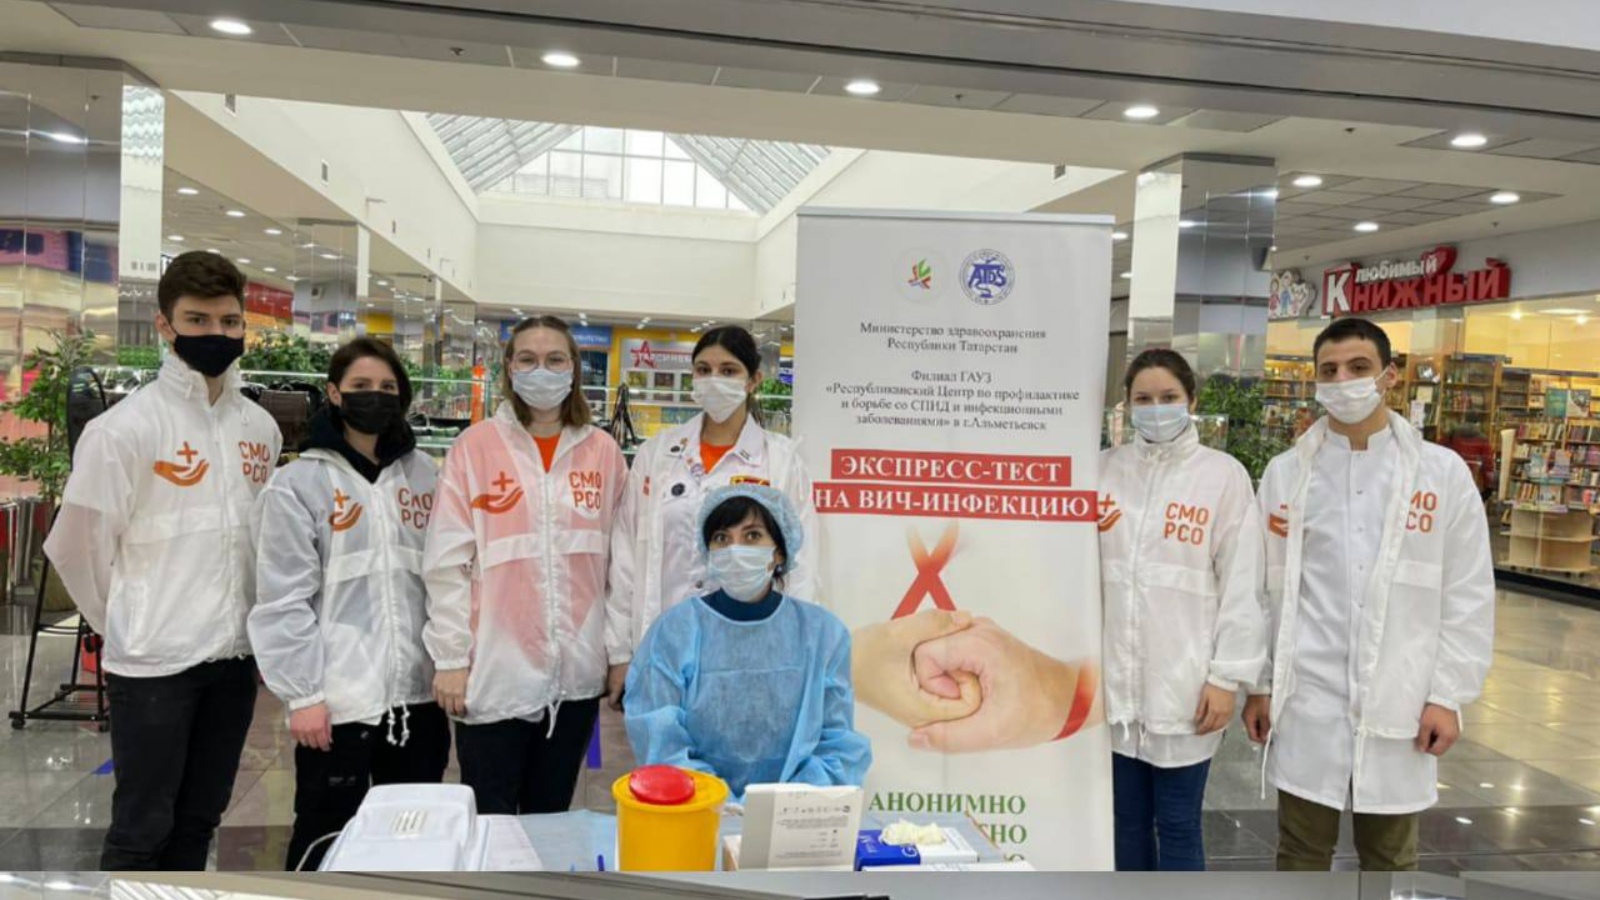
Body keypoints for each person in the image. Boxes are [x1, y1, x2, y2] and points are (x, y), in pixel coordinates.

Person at [43, 251, 283, 870]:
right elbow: (77, 547)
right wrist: (129, 621)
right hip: (154, 666)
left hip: (234, 660)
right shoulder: (124, 430)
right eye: (197, 320)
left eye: (229, 321)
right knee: (141, 826)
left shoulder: (260, 428)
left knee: (200, 819)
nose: (216, 334)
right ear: (165, 325)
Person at [1243, 317, 1495, 872]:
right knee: (1301, 851)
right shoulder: (1287, 475)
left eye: (1359, 367)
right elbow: (1261, 588)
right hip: (1308, 697)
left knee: (1390, 856)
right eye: (1329, 370)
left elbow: (1468, 593)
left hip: (1400, 698)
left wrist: (1448, 694)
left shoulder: (1440, 475)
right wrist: (1260, 684)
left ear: (1389, 375)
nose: (1343, 381)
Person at [249, 338, 448, 871]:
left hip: (418, 699)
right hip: (338, 702)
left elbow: (446, 579)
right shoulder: (299, 484)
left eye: (387, 387)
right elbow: (282, 598)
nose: (375, 396)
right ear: (334, 394)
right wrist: (304, 694)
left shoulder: (426, 477)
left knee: (414, 842)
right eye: (361, 386)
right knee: (326, 838)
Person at [422, 315, 627, 814]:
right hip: (494, 670)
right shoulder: (475, 448)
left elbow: (621, 567)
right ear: (510, 369)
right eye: (529, 360)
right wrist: (450, 658)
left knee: (550, 818)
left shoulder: (602, 452)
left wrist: (619, 652)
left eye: (555, 360)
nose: (542, 371)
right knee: (491, 817)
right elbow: (446, 564)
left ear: (574, 369)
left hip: (576, 677)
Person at [1098, 349, 1267, 871]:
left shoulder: (1222, 476)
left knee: (1177, 824)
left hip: (1185, 687)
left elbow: (1243, 584)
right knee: (1124, 823)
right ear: (1127, 405)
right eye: (1143, 399)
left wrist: (1226, 678)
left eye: (1168, 397)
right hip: (1115, 689)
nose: (1156, 409)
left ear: (1191, 401)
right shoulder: (1104, 471)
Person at [607, 326, 819, 710]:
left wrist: (794, 654)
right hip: (663, 646)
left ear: (753, 380)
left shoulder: (780, 461)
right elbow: (625, 559)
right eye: (703, 370)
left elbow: (801, 565)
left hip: (752, 650)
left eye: (728, 370)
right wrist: (620, 652)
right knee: (663, 745)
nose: (713, 380)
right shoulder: (658, 455)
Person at [624, 485, 870, 800]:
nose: (734, 549)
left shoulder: (822, 635)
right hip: (698, 811)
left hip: (793, 815)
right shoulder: (674, 632)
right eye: (722, 538)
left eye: (752, 536)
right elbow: (660, 739)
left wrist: (787, 803)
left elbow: (836, 741)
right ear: (708, 552)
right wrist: (716, 800)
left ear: (779, 552)